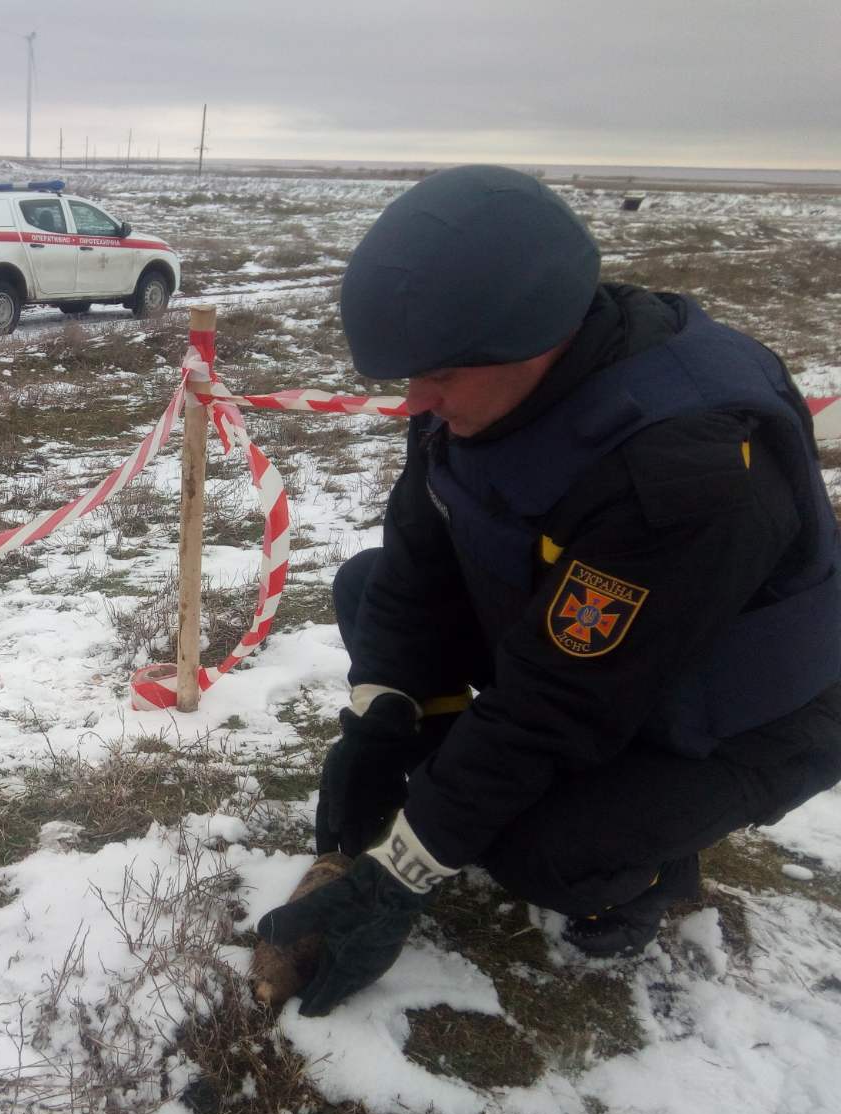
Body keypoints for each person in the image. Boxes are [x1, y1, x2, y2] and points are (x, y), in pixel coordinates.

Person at [257, 164, 841, 1016]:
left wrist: (408, 870)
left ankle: (647, 874)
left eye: (438, 374)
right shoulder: (479, 387)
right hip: (600, 660)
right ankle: (457, 770)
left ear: (534, 339)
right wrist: (381, 721)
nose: (416, 401)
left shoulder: (681, 467)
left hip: (735, 712)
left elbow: (556, 702)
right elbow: (418, 564)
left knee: (537, 852)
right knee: (368, 588)